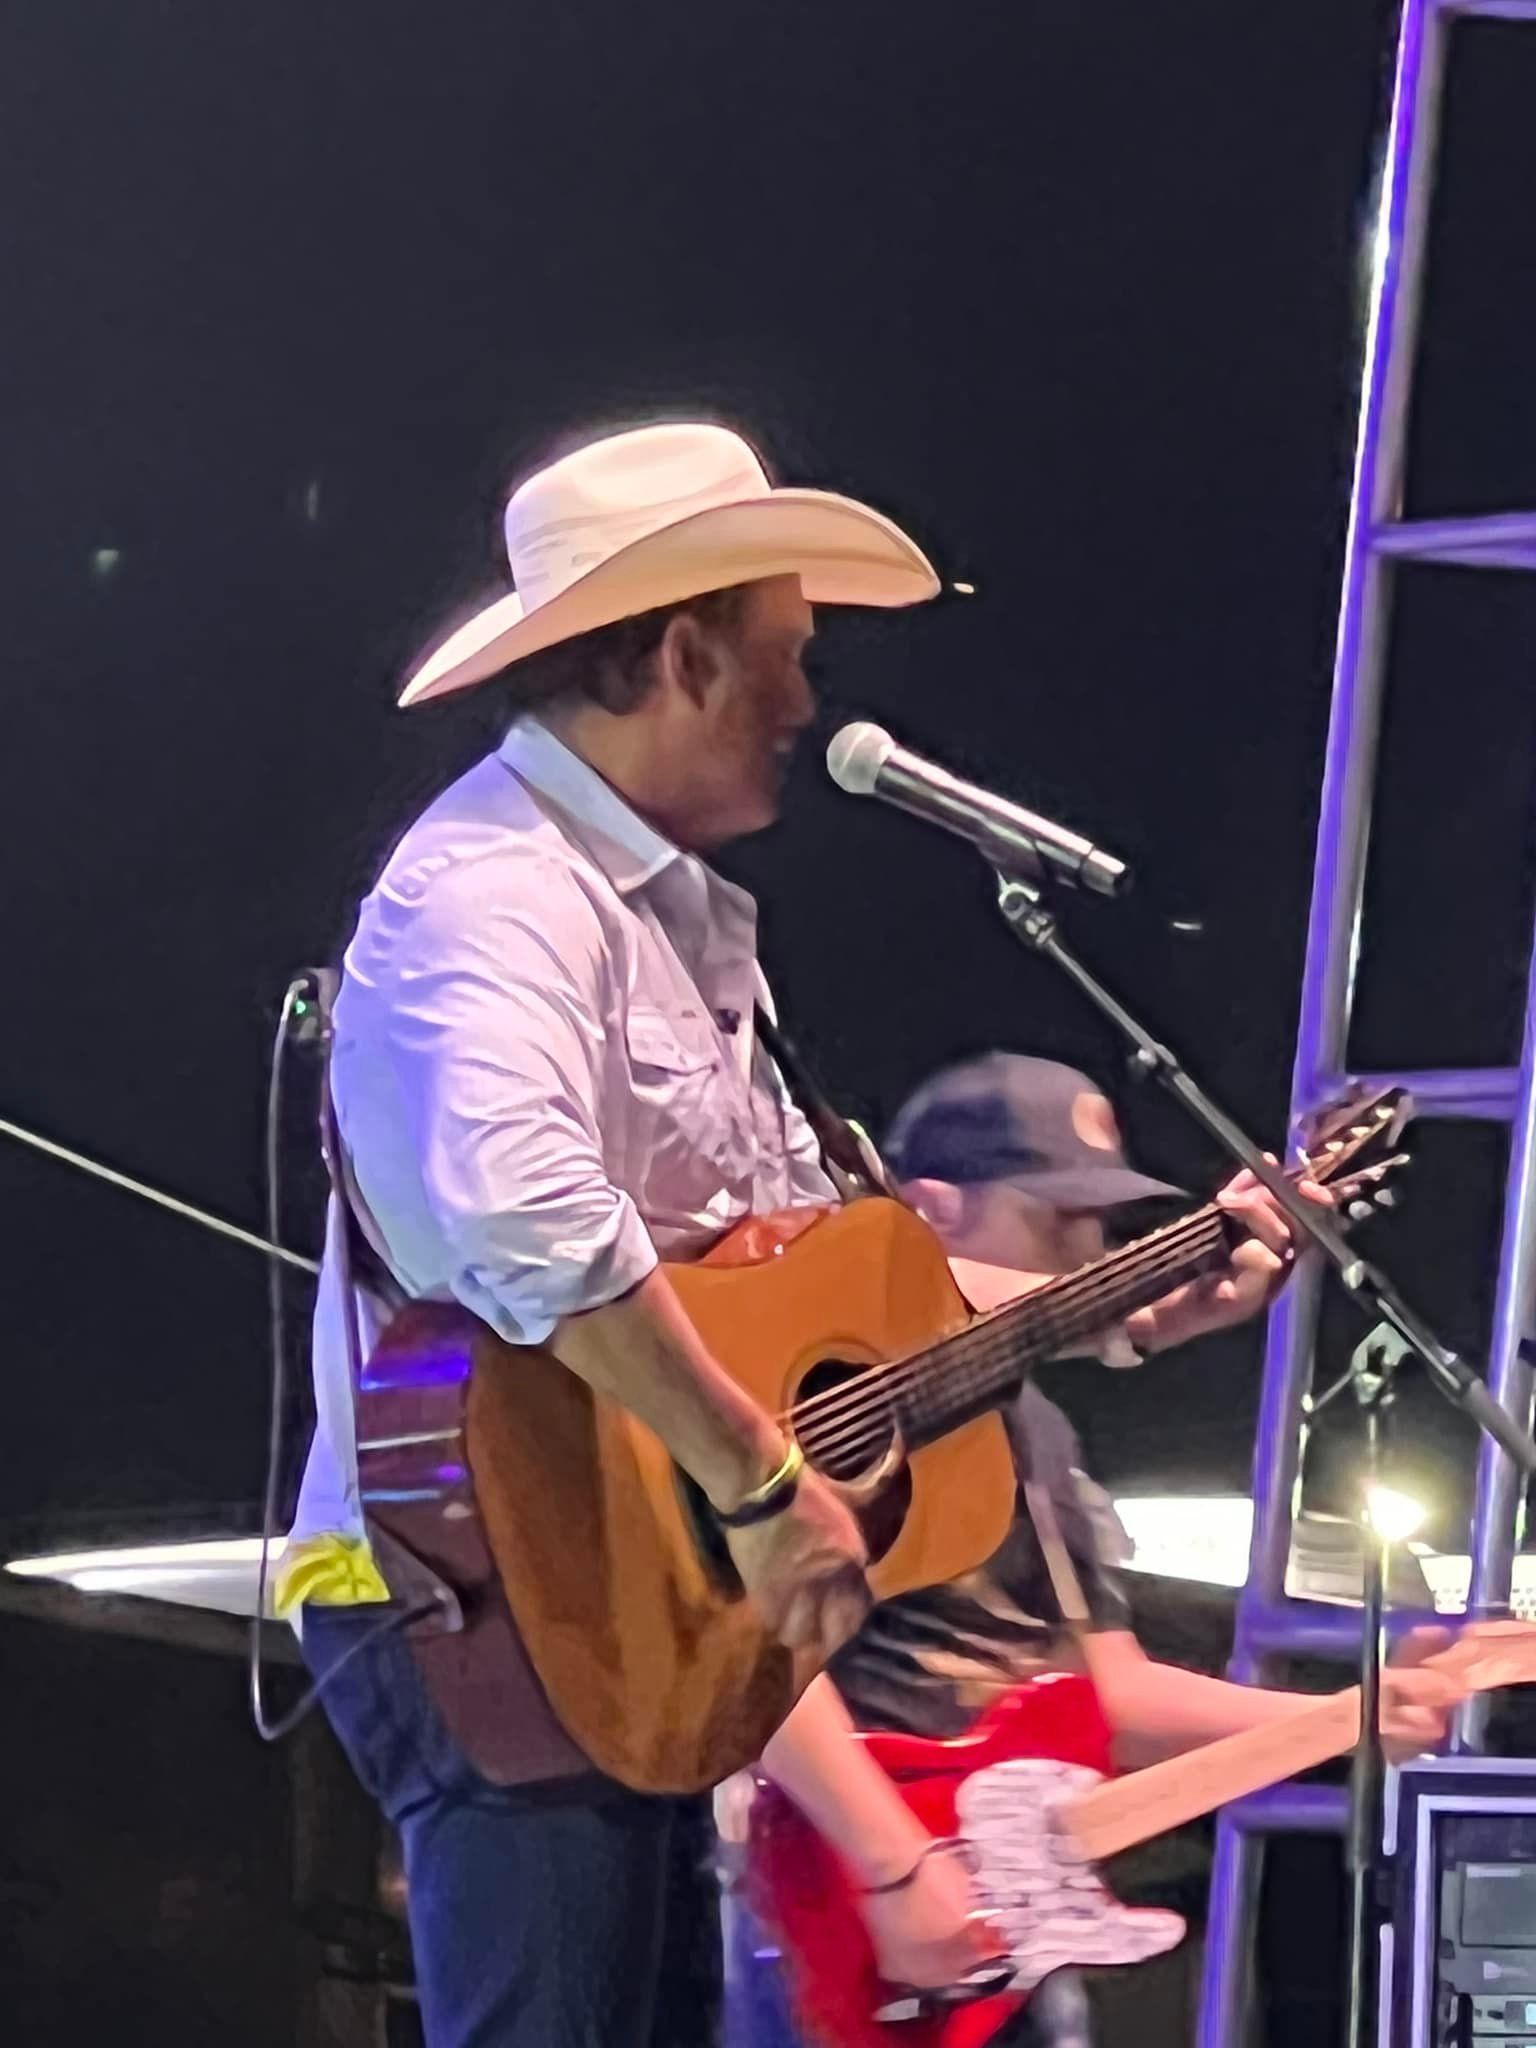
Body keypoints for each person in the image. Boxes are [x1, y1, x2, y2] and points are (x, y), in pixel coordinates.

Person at [275, 418, 1309, 2048]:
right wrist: (758, 1481)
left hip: (633, 1589)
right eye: (786, 654)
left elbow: (807, 1269)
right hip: (510, 1574)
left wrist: (1124, 1307)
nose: (808, 704)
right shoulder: (490, 895)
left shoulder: (675, 918)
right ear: (683, 654)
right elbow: (520, 1210)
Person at [753, 1053, 1456, 2047]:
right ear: (930, 1211)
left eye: (1101, 1224)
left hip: (995, 1924)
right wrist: (894, 1863)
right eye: (1055, 1217)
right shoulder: (824, 1412)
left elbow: (1104, 1693)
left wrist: (1352, 1714)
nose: (1088, 1254)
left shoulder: (1036, 1429)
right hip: (842, 1904)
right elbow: (738, 1651)